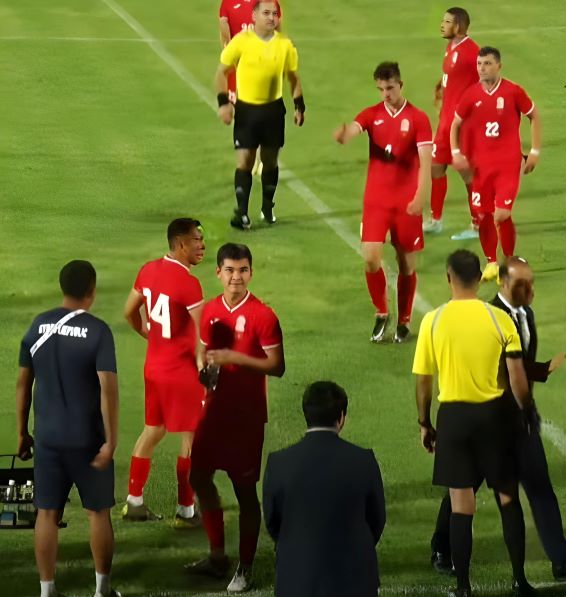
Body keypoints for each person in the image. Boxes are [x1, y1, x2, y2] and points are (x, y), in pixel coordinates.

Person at [429, 257, 566, 582]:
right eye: (523, 284)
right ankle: (442, 547)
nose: (530, 289)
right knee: (464, 488)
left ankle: (562, 560)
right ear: (503, 283)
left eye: (532, 282)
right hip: (489, 422)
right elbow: (500, 368)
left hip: (519, 420)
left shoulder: (525, 313)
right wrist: (543, 369)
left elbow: (519, 365)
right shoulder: (488, 317)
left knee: (539, 486)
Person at [412, 250, 536, 597]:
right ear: (480, 277)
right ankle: (519, 581)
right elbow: (517, 378)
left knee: (461, 503)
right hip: (495, 416)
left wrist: (425, 422)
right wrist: (525, 413)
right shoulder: (499, 319)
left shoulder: (433, 321)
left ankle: (463, 587)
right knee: (508, 497)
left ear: (448, 277)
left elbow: (424, 381)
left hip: (454, 418)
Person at [15, 260, 121, 597]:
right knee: (98, 513)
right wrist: (111, 441)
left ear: (63, 287)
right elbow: (108, 389)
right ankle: (101, 591)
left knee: (46, 514)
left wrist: (22, 432)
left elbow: (22, 384)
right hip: (88, 440)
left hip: (47, 439)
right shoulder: (98, 331)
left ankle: (47, 591)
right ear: (92, 290)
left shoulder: (37, 326)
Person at [186, 243, 286, 593]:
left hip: (245, 418)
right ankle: (217, 557)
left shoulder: (263, 315)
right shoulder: (211, 309)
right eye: (229, 270)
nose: (236, 277)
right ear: (218, 273)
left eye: (242, 270)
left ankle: (245, 565)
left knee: (245, 493)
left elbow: (277, 367)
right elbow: (201, 347)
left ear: (251, 273)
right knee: (198, 477)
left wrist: (234, 357)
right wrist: (203, 365)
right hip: (213, 413)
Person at [334, 61, 433, 343]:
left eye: (390, 88)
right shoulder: (372, 114)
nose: (385, 94)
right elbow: (355, 127)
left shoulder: (418, 119)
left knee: (406, 265)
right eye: (380, 89)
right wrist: (345, 135)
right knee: (370, 257)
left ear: (400, 85)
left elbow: (425, 162)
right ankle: (381, 311)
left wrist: (421, 194)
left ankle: (404, 319)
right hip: (376, 201)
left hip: (406, 203)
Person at [120, 218, 206, 527]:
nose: (202, 246)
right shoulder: (189, 284)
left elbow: (128, 310)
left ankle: (134, 501)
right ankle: (186, 509)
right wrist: (205, 367)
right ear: (181, 244)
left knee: (153, 430)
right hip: (181, 374)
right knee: (191, 437)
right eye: (197, 240)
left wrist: (145, 331)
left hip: (153, 369)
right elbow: (201, 335)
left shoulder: (148, 270)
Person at [263, 381, 386, 597]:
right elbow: (377, 520)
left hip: (297, 579)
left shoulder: (278, 463)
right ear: (341, 418)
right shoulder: (363, 460)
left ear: (306, 415)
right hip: (354, 580)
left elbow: (274, 523)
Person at [449, 46, 542, 282]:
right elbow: (455, 124)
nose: (482, 68)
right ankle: (491, 261)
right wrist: (456, 152)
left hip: (508, 164)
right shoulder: (471, 94)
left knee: (501, 214)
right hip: (481, 167)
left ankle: (509, 260)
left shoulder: (513, 91)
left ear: (499, 66)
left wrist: (534, 151)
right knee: (483, 215)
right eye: (480, 64)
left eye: (488, 64)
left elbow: (534, 116)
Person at [213, 0, 304, 230]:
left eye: (274, 14)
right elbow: (221, 73)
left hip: (273, 111)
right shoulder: (241, 42)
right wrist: (224, 103)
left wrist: (299, 105)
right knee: (244, 161)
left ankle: (267, 206)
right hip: (246, 111)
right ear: (254, 16)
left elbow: (293, 77)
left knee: (270, 161)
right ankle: (241, 213)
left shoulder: (285, 45)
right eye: (266, 13)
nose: (271, 17)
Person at [426, 6, 480, 239]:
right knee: (436, 167)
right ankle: (436, 220)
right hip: (445, 121)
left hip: (460, 125)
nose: (442, 24)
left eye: (447, 21)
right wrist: (443, 83)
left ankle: (478, 225)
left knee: (467, 174)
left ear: (457, 26)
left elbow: (484, 84)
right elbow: (455, 76)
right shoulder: (451, 47)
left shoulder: (472, 53)